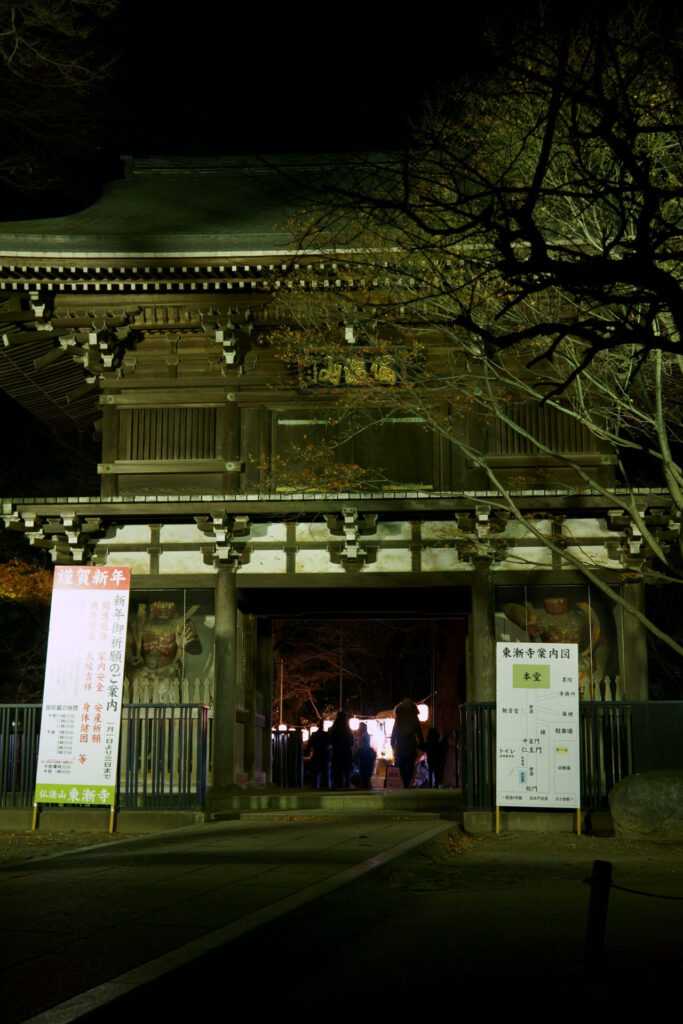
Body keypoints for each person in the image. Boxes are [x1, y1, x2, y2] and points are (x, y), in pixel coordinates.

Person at [127, 599, 201, 703]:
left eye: (168, 603)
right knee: (139, 710)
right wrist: (131, 657)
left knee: (169, 712)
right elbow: (127, 647)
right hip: (142, 673)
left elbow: (197, 649)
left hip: (168, 673)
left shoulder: (181, 623)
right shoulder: (138, 622)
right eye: (160, 603)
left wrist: (185, 645)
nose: (164, 607)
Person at [391, 698, 424, 788]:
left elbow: (394, 731)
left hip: (401, 746)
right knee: (410, 766)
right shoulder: (414, 717)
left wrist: (392, 742)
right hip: (411, 746)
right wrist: (422, 744)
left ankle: (406, 783)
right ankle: (408, 783)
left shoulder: (399, 717)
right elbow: (419, 731)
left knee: (402, 766)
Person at [329, 710, 354, 789]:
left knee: (338, 776)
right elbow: (352, 743)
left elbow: (331, 741)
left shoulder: (333, 729)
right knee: (347, 775)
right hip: (347, 754)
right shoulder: (349, 731)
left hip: (337, 754)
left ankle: (338, 790)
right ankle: (347, 789)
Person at [306, 723, 331, 790]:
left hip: (317, 756)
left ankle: (315, 791)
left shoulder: (314, 735)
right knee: (326, 777)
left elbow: (308, 746)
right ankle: (327, 791)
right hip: (326, 757)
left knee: (316, 776)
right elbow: (331, 745)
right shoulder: (327, 735)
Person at [355, 722, 377, 789]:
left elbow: (356, 758)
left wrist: (358, 764)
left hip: (362, 768)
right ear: (369, 741)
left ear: (362, 741)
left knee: (364, 781)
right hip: (369, 768)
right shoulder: (371, 750)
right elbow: (374, 758)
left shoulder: (360, 750)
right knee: (367, 780)